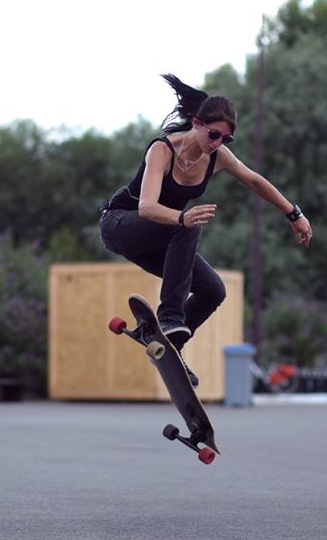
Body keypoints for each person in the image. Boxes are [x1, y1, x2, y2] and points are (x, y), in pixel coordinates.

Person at [99, 74, 314, 387]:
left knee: (213, 290)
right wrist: (182, 219)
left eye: (225, 140)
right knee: (187, 224)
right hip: (120, 224)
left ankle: (167, 341)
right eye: (213, 135)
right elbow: (146, 208)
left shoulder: (217, 157)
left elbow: (253, 180)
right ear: (197, 123)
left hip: (159, 238)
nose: (216, 144)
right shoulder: (162, 150)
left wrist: (293, 213)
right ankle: (170, 318)